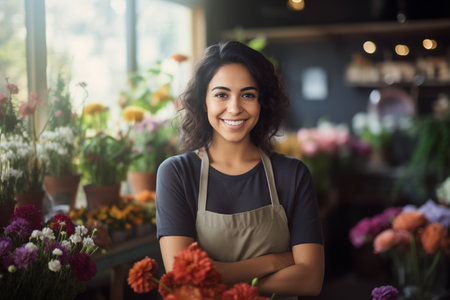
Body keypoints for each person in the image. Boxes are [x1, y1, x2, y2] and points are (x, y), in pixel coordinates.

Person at [156, 40, 324, 298]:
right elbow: (182, 279)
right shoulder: (177, 174)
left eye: (248, 94)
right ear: (204, 102)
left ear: (261, 102)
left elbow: (310, 280)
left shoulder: (292, 174)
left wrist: (222, 282)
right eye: (221, 94)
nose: (234, 108)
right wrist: (274, 262)